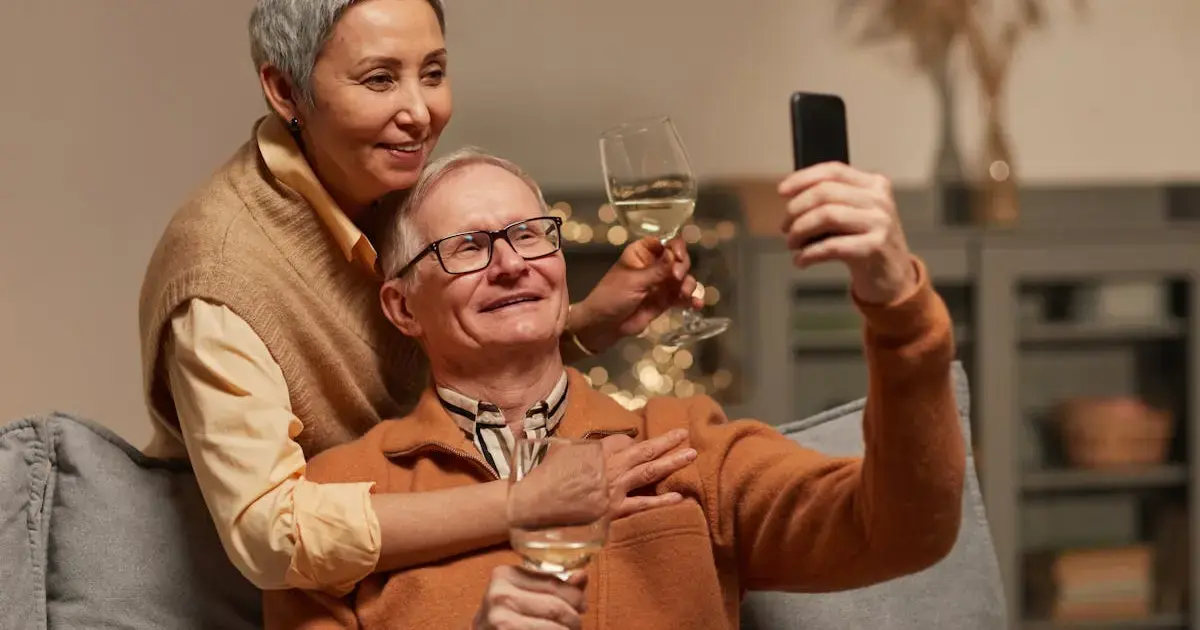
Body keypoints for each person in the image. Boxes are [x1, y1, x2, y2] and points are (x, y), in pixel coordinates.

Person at [262, 148, 967, 630]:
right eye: (469, 247)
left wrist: (894, 301)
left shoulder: (681, 442)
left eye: (531, 236)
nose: (512, 265)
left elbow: (902, 532)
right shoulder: (342, 503)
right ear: (402, 307)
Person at [137, 0, 699, 597]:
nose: (420, 113)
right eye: (379, 79)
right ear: (284, 89)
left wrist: (585, 326)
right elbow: (270, 535)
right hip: (278, 599)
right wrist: (528, 501)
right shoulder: (220, 270)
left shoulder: (381, 179)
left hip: (433, 554)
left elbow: (434, 358)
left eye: (432, 73)